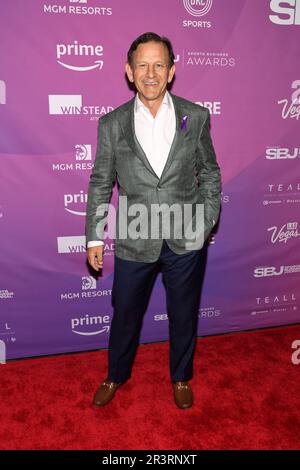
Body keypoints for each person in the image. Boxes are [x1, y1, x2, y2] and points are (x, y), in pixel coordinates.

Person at [86, 32, 221, 409]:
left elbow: (210, 172)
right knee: (125, 314)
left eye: (159, 64)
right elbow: (101, 181)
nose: (151, 73)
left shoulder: (195, 116)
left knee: (183, 314)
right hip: (134, 236)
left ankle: (180, 377)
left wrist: (205, 221)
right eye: (142, 65)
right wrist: (95, 237)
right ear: (129, 72)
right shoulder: (112, 123)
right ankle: (116, 375)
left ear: (172, 70)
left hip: (185, 237)